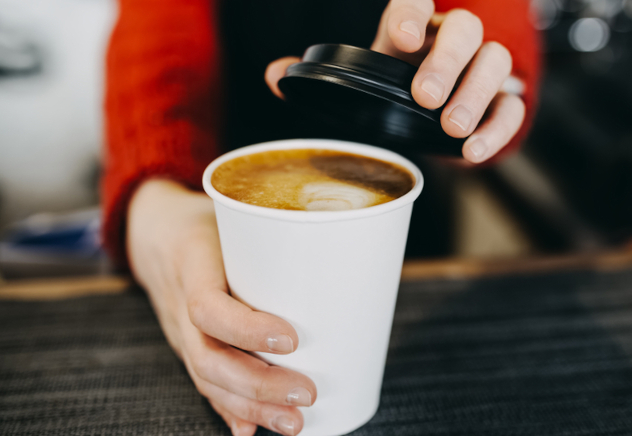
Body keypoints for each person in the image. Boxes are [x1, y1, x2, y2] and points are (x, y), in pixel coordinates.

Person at [102, 0, 541, 434]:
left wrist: (477, 79)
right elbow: (159, 27)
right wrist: (156, 202)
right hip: (219, 200)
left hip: (406, 223)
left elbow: (491, 18)